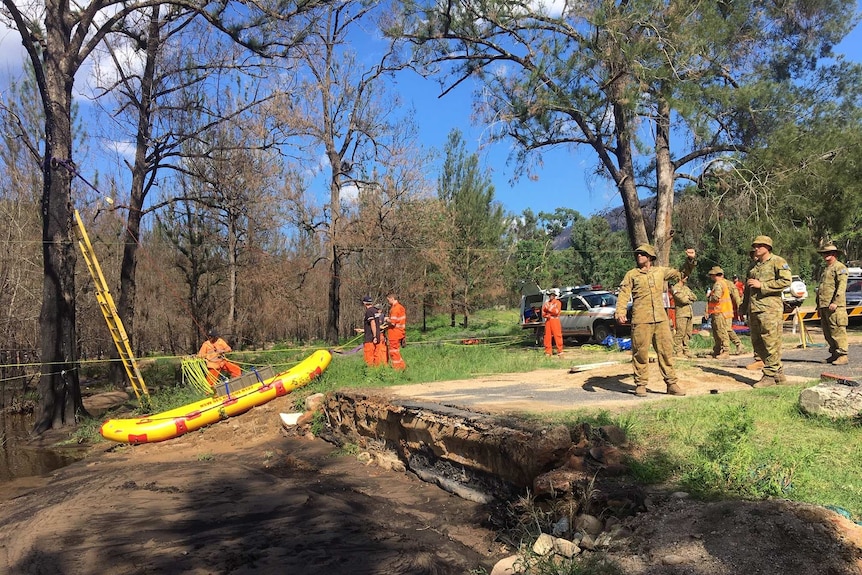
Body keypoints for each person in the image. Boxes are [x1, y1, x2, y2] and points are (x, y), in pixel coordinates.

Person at [615, 244, 696, 397]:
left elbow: (681, 273)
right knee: (640, 352)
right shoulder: (631, 274)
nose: (639, 256)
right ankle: (641, 384)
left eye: (643, 254)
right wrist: (620, 311)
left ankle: (671, 383)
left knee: (666, 351)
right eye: (638, 253)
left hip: (660, 318)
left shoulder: (660, 272)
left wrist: (690, 260)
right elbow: (624, 293)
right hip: (641, 319)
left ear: (650, 257)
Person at [745, 235, 792, 388]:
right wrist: (743, 306)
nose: (756, 248)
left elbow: (786, 281)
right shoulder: (753, 266)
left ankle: (770, 376)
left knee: (771, 342)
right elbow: (748, 288)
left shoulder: (778, 262)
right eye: (755, 246)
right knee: (758, 344)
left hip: (770, 309)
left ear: (767, 247)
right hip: (754, 309)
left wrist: (762, 285)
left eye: (759, 245)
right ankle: (778, 373)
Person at [816, 244, 849, 365]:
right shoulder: (826, 269)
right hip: (825, 306)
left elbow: (841, 287)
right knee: (828, 332)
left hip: (835, 306)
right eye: (824, 253)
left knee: (837, 330)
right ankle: (834, 353)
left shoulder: (839, 267)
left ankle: (842, 355)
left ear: (835, 254)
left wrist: (836, 301)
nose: (826, 255)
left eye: (828, 253)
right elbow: (821, 289)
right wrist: (818, 306)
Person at [707, 266, 734, 359]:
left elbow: (716, 297)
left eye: (711, 275)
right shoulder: (723, 283)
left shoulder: (718, 284)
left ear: (715, 275)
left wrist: (709, 296)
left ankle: (725, 351)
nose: (711, 277)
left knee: (721, 332)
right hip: (719, 311)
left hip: (720, 311)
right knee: (717, 332)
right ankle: (717, 350)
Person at [671, 276, 697, 358]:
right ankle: (678, 350)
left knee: (688, 333)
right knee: (680, 333)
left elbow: (694, 297)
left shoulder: (686, 288)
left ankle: (686, 350)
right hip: (681, 313)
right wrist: (688, 298)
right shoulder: (675, 288)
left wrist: (688, 297)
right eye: (684, 276)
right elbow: (683, 300)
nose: (686, 278)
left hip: (689, 313)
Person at [355, 296, 385, 367]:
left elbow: (373, 323)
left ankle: (370, 372)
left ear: (364, 303)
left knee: (369, 358)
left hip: (370, 338)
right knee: (376, 356)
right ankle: (376, 371)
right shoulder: (375, 311)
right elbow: (376, 325)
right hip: (376, 337)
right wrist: (363, 330)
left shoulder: (369, 311)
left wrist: (374, 336)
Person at [384, 293, 407, 370]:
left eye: (388, 300)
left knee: (393, 351)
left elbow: (393, 322)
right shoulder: (401, 307)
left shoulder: (395, 309)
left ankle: (398, 368)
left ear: (392, 298)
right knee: (396, 351)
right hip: (400, 332)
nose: (388, 302)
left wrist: (386, 319)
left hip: (394, 333)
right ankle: (402, 367)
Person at [542, 288, 564, 357]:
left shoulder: (558, 302)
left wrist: (548, 309)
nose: (550, 296)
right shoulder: (546, 303)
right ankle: (548, 351)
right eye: (549, 295)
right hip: (548, 320)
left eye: (551, 295)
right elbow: (543, 313)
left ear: (554, 295)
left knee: (557, 335)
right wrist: (549, 312)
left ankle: (560, 351)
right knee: (547, 336)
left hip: (555, 320)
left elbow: (556, 312)